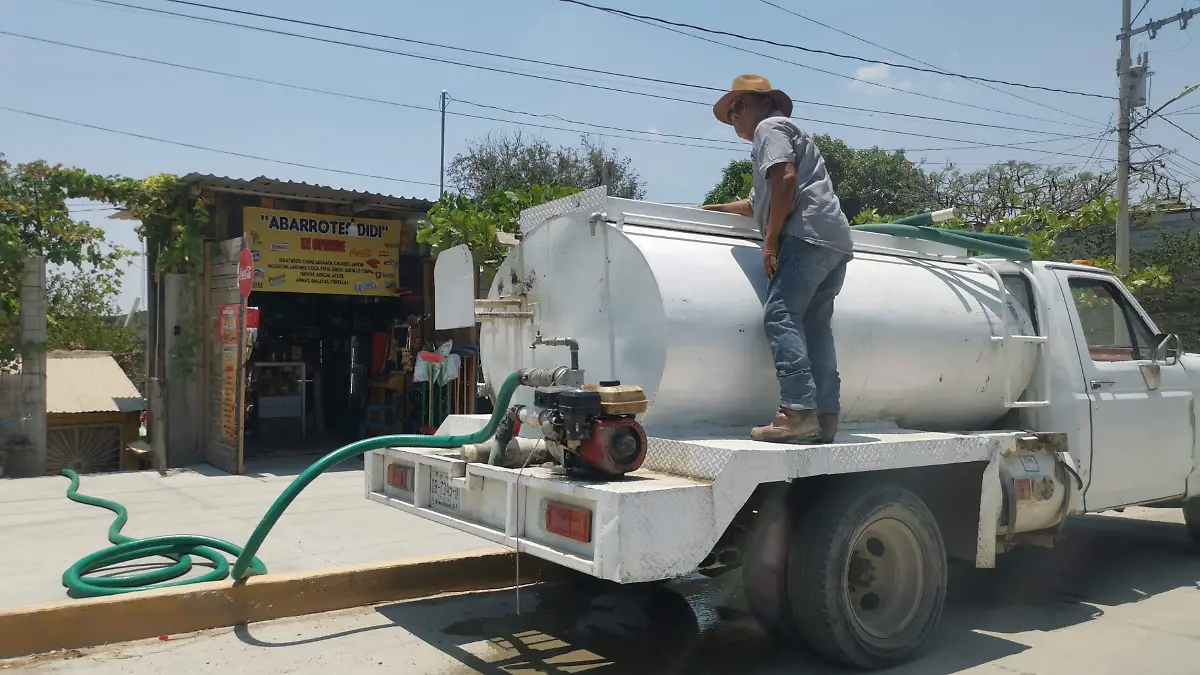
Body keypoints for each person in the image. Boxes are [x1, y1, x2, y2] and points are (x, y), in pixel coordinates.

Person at [701, 75, 853, 444]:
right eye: (730, 112)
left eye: (740, 105)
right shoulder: (780, 137)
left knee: (781, 314)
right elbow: (757, 202)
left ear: (765, 104)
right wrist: (712, 209)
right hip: (833, 240)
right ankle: (825, 417)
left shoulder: (769, 128)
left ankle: (796, 412)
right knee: (816, 327)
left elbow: (785, 178)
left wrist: (770, 242)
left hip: (804, 236)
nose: (734, 116)